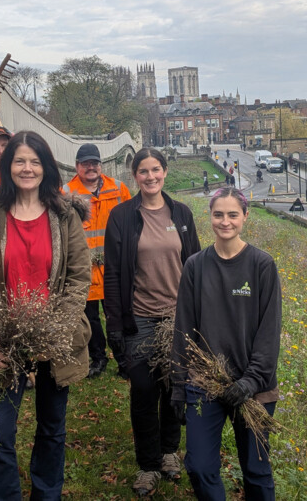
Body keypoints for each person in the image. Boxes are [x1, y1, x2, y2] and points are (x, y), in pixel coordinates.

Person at [0, 131, 91, 500]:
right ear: (7, 167)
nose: (27, 168)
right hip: (4, 339)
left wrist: (55, 332)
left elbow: (79, 279)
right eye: (19, 161)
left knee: (52, 429)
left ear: (46, 167)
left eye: (34, 161)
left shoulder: (65, 216)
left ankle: (46, 495)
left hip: (55, 340)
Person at [171, 187, 281, 500]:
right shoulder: (196, 265)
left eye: (233, 214)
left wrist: (251, 381)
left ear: (245, 216)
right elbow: (184, 329)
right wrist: (179, 387)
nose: (225, 221)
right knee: (200, 466)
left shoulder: (262, 265)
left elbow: (269, 331)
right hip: (205, 383)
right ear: (210, 217)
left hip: (254, 386)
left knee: (256, 470)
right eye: (218, 214)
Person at [105, 148, 201, 496]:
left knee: (173, 387)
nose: (150, 177)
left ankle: (169, 451)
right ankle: (147, 464)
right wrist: (114, 323)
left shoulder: (182, 214)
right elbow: (113, 273)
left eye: (156, 170)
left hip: (178, 318)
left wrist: (200, 316)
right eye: (143, 171)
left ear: (165, 172)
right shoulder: (122, 216)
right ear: (135, 175)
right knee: (144, 390)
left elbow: (196, 266)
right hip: (141, 318)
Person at [62, 143, 132, 379]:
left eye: (94, 163)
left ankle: (124, 361)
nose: (90, 168)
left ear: (101, 165)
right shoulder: (66, 193)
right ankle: (98, 358)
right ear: (77, 167)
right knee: (90, 318)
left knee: (118, 314)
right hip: (84, 269)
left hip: (113, 267)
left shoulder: (119, 189)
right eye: (85, 164)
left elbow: (132, 224)